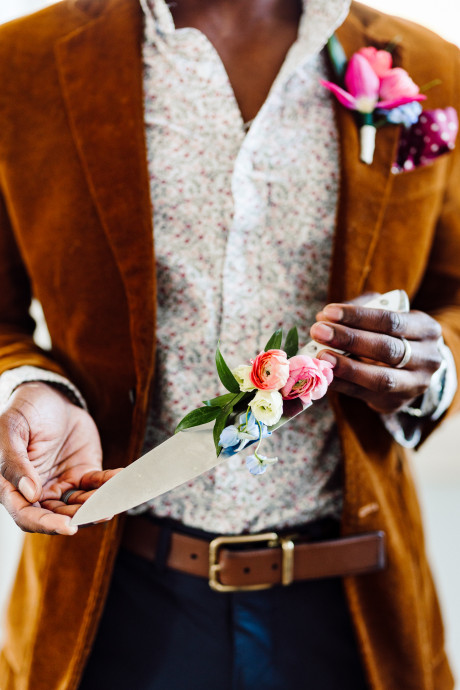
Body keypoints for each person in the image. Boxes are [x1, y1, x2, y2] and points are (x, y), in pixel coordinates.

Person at [0, 0, 459, 688]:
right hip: (110, 599)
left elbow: (453, 296)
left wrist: (435, 365)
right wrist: (32, 387)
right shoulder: (20, 62)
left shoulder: (432, 68)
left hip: (352, 609)